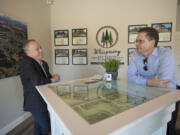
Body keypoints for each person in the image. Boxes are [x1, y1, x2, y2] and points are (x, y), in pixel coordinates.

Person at [127, 27, 179, 135]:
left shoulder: (166, 54)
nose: (137, 44)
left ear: (152, 42)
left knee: (167, 129)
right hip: (143, 96)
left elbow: (162, 83)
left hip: (167, 95)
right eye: (136, 41)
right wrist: (150, 82)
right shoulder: (135, 55)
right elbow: (130, 76)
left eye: (141, 41)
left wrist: (141, 79)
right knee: (146, 128)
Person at [19, 39, 60, 135]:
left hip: (45, 99)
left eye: (40, 47)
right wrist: (53, 79)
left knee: (38, 125)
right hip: (35, 102)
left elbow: (47, 79)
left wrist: (54, 78)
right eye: (37, 49)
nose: (41, 50)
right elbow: (37, 81)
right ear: (28, 52)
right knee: (46, 127)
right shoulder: (26, 63)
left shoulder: (43, 63)